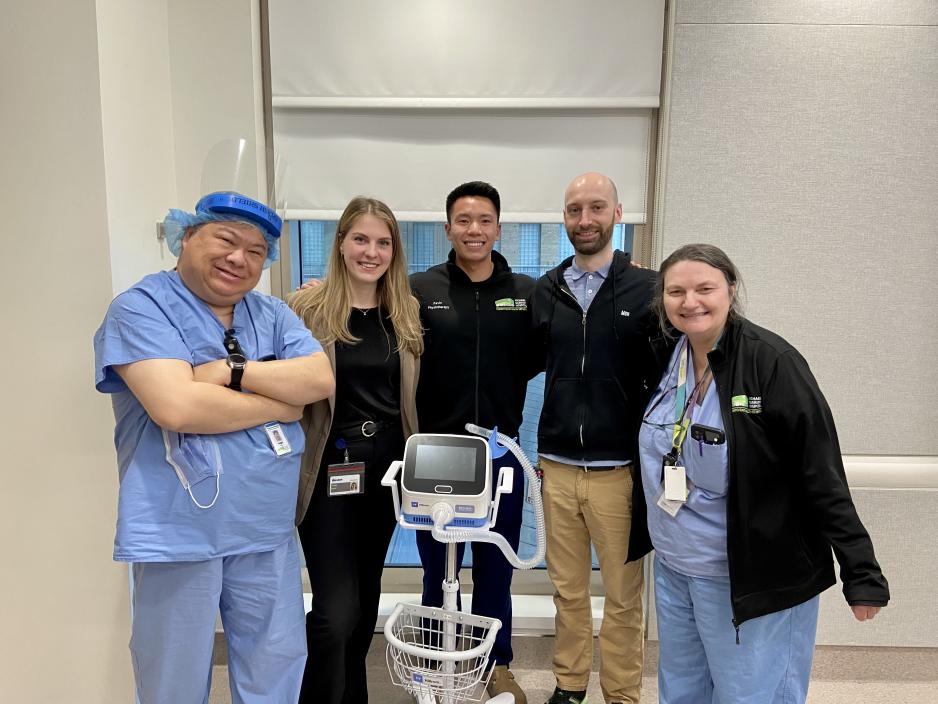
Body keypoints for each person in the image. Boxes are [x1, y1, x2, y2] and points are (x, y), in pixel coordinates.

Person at [93, 191, 335, 703]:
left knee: (276, 669)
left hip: (265, 527)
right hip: (179, 530)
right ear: (186, 236)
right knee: (173, 678)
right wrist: (279, 406)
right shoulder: (142, 308)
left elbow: (318, 380)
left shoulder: (271, 313)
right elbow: (177, 408)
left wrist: (231, 371)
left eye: (255, 251)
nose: (238, 258)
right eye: (226, 240)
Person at [634, 243, 889, 703]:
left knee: (750, 694)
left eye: (705, 289)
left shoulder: (771, 362)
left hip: (749, 575)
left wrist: (861, 570)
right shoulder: (666, 352)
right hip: (675, 567)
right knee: (682, 691)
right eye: (676, 291)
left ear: (731, 289)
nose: (690, 302)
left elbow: (820, 471)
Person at [531, 172, 664, 704]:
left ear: (618, 213)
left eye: (596, 208)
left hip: (619, 473)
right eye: (574, 210)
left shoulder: (650, 289)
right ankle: (569, 685)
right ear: (564, 218)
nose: (584, 220)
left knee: (624, 598)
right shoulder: (546, 290)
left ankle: (622, 694)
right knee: (566, 590)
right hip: (557, 467)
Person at [290, 197, 423, 704]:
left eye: (383, 242)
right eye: (361, 239)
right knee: (335, 611)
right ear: (341, 243)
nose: (372, 252)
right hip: (329, 465)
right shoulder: (306, 309)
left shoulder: (406, 313)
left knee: (366, 600)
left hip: (388, 469)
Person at [411, 181, 537, 703]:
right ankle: (431, 664)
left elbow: (562, 342)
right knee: (439, 569)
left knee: (495, 569)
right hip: (437, 455)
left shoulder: (527, 293)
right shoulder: (420, 288)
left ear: (498, 228)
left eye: (484, 220)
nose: (474, 230)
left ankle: (496, 665)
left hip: (501, 452)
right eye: (463, 220)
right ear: (448, 229)